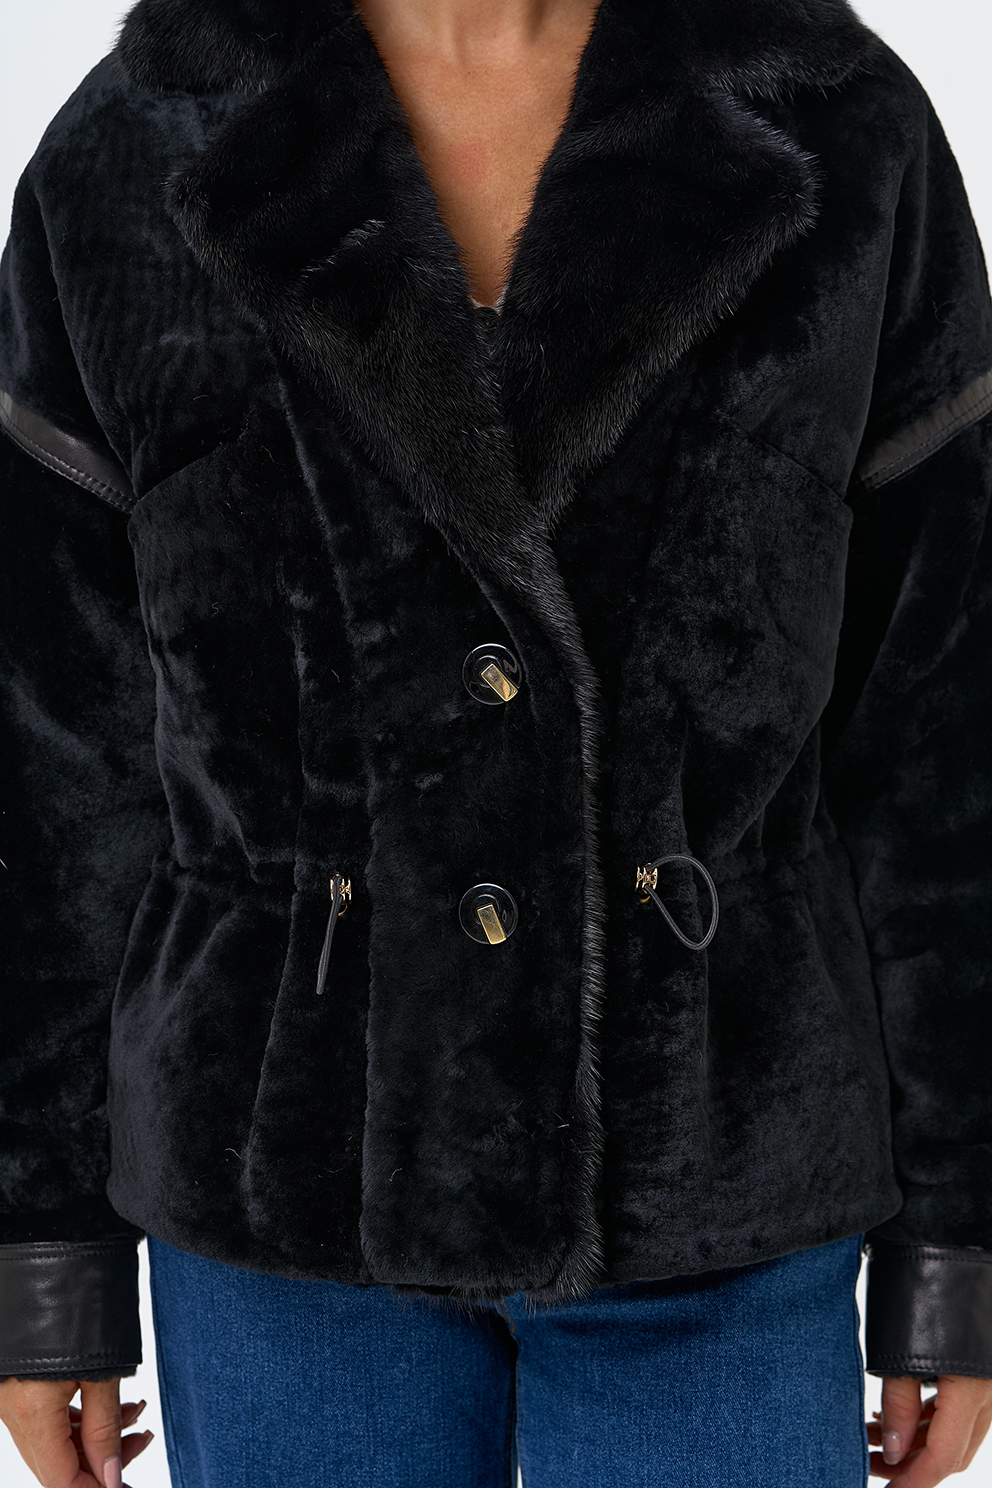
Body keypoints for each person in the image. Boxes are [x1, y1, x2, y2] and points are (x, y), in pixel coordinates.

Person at [1, 0, 991, 1483]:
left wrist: (957, 1243)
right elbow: (52, 758)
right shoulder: (136, 147)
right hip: (286, 1193)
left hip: (723, 1181)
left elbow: (940, 731)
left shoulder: (840, 126)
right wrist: (44, 1253)